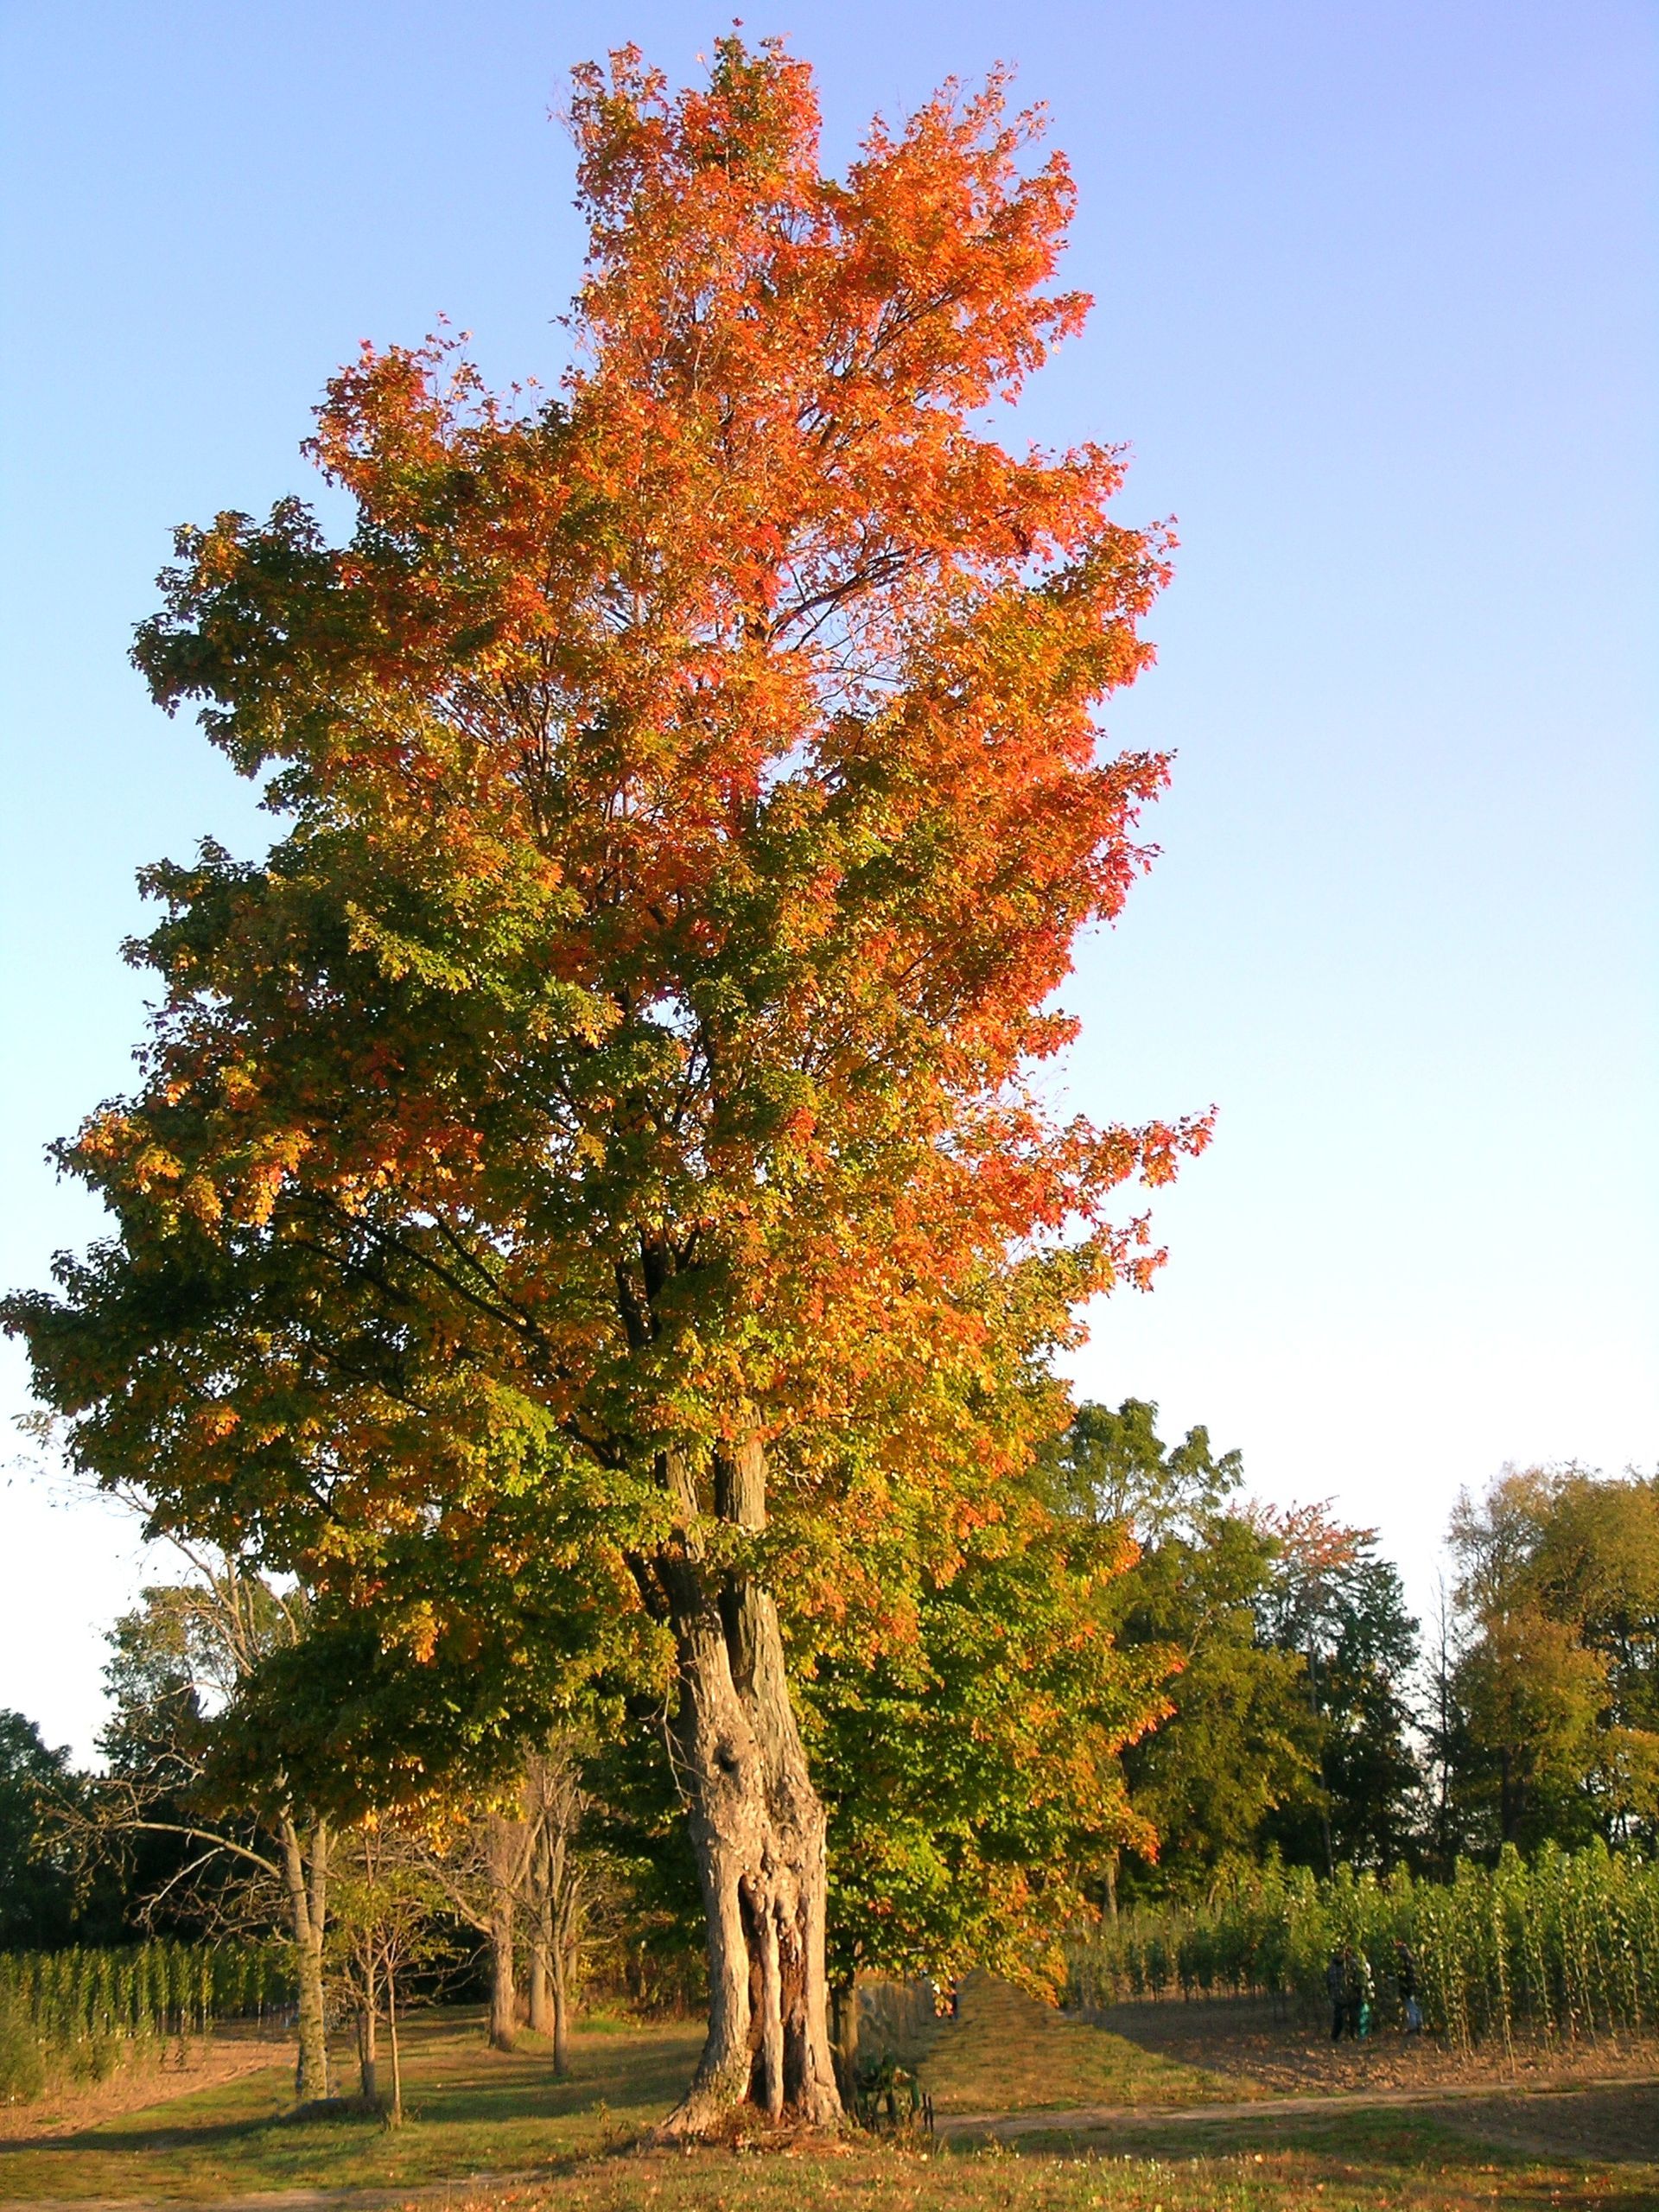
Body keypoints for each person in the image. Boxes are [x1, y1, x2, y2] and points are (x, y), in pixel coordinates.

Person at [1395, 1941, 1422, 2034]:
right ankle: (1418, 2025)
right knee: (1416, 2006)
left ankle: (1414, 2027)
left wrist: (1399, 1978)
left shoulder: (1406, 1961)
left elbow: (1405, 1975)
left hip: (1409, 1986)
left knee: (1411, 2006)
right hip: (1414, 1984)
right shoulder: (1412, 1959)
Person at [1326, 1948, 1347, 2042]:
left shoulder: (1332, 1967)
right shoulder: (1340, 1968)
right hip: (1340, 1996)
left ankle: (1336, 2036)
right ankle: (1335, 2037)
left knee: (1339, 2017)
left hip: (1340, 1996)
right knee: (1339, 2018)